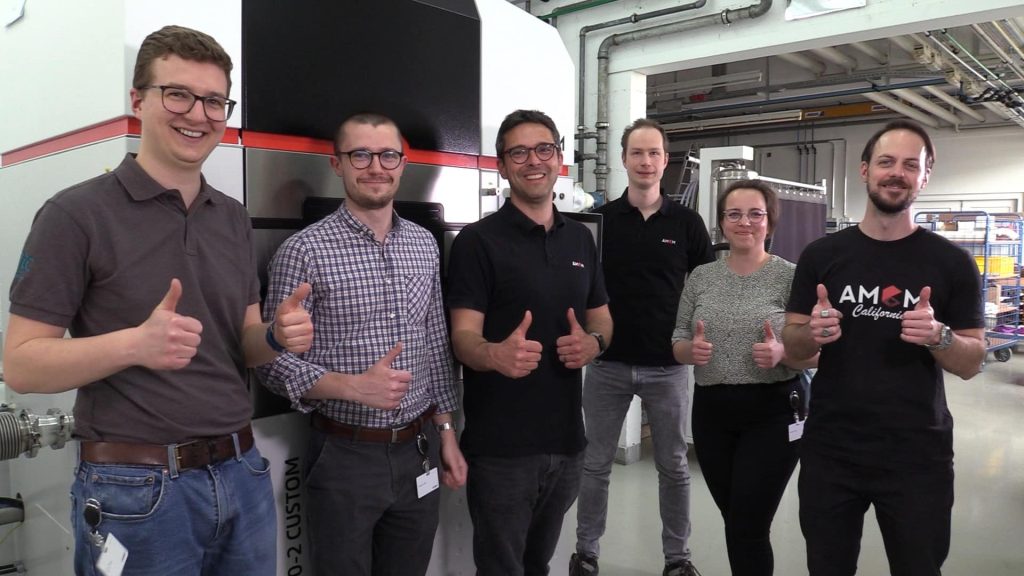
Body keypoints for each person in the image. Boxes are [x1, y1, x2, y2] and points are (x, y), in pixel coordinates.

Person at [3, 25, 313, 576]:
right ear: (138, 101)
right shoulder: (75, 215)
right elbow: (21, 364)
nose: (198, 114)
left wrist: (274, 336)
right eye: (178, 94)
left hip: (242, 473)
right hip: (136, 491)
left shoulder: (232, 218)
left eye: (215, 100)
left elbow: (242, 344)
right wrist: (134, 344)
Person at [258, 112, 467, 575]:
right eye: (361, 155)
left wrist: (447, 432)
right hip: (344, 456)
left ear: (403, 163)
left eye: (388, 154)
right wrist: (351, 387)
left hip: (419, 447)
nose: (376, 166)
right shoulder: (304, 251)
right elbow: (269, 363)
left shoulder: (422, 244)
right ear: (338, 165)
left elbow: (434, 340)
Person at [783, 119, 985, 576]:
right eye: (886, 162)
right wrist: (810, 332)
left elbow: (972, 362)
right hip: (832, 450)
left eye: (911, 165)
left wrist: (940, 336)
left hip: (918, 454)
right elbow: (793, 348)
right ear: (864, 170)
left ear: (925, 176)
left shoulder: (952, 262)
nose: (897, 173)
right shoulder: (821, 255)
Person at [447, 109, 612, 575]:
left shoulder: (580, 240)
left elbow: (603, 321)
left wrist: (594, 344)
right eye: (518, 152)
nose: (533, 161)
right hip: (502, 450)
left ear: (560, 159)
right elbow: (463, 338)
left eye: (544, 149)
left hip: (567, 443)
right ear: (502, 165)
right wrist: (494, 354)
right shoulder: (478, 243)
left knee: (538, 565)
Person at [571, 118, 712, 576]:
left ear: (664, 160)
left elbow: (707, 287)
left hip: (668, 366)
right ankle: (586, 552)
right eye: (637, 153)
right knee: (595, 464)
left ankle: (678, 559)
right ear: (624, 159)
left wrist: (698, 337)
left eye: (653, 153)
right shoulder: (603, 222)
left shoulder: (687, 224)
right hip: (607, 363)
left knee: (672, 466)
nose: (646, 161)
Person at [672, 179, 816, 576]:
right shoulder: (701, 277)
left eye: (756, 213)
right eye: (734, 214)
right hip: (713, 415)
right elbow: (678, 339)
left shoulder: (791, 277)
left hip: (774, 412)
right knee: (736, 520)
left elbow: (817, 352)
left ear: (770, 222)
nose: (745, 222)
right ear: (721, 223)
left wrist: (784, 352)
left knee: (748, 524)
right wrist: (690, 351)